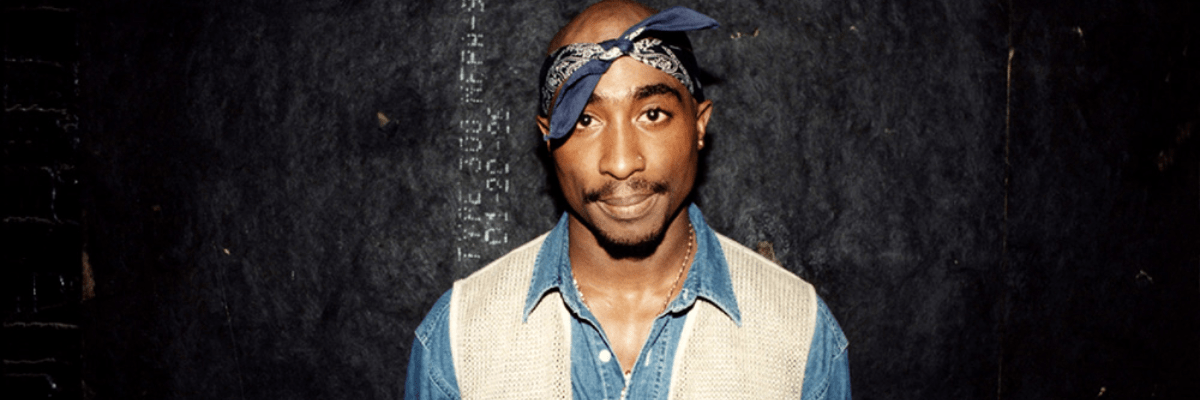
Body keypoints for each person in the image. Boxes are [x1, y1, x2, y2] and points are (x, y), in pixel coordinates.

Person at [405, 1, 851, 398]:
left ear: (699, 125)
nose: (621, 163)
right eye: (585, 120)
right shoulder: (459, 341)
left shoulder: (800, 336)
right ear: (548, 139)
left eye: (652, 114)